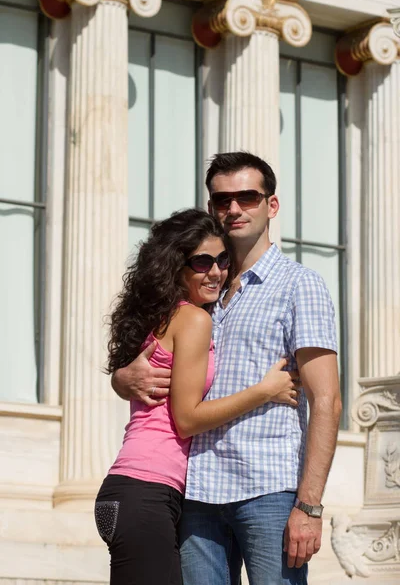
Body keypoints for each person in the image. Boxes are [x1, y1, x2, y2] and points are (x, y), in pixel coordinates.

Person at [112, 152, 342, 585]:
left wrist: (309, 506)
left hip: (268, 490)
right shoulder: (202, 286)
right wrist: (121, 378)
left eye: (247, 197)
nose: (234, 208)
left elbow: (327, 398)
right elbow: (149, 358)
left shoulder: (299, 285)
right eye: (222, 200)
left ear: (271, 206)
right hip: (196, 493)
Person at [95, 207, 301, 585]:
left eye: (223, 260)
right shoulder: (193, 319)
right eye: (202, 262)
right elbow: (187, 419)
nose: (216, 272)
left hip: (133, 494)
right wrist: (263, 391)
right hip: (147, 493)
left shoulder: (163, 315)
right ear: (175, 266)